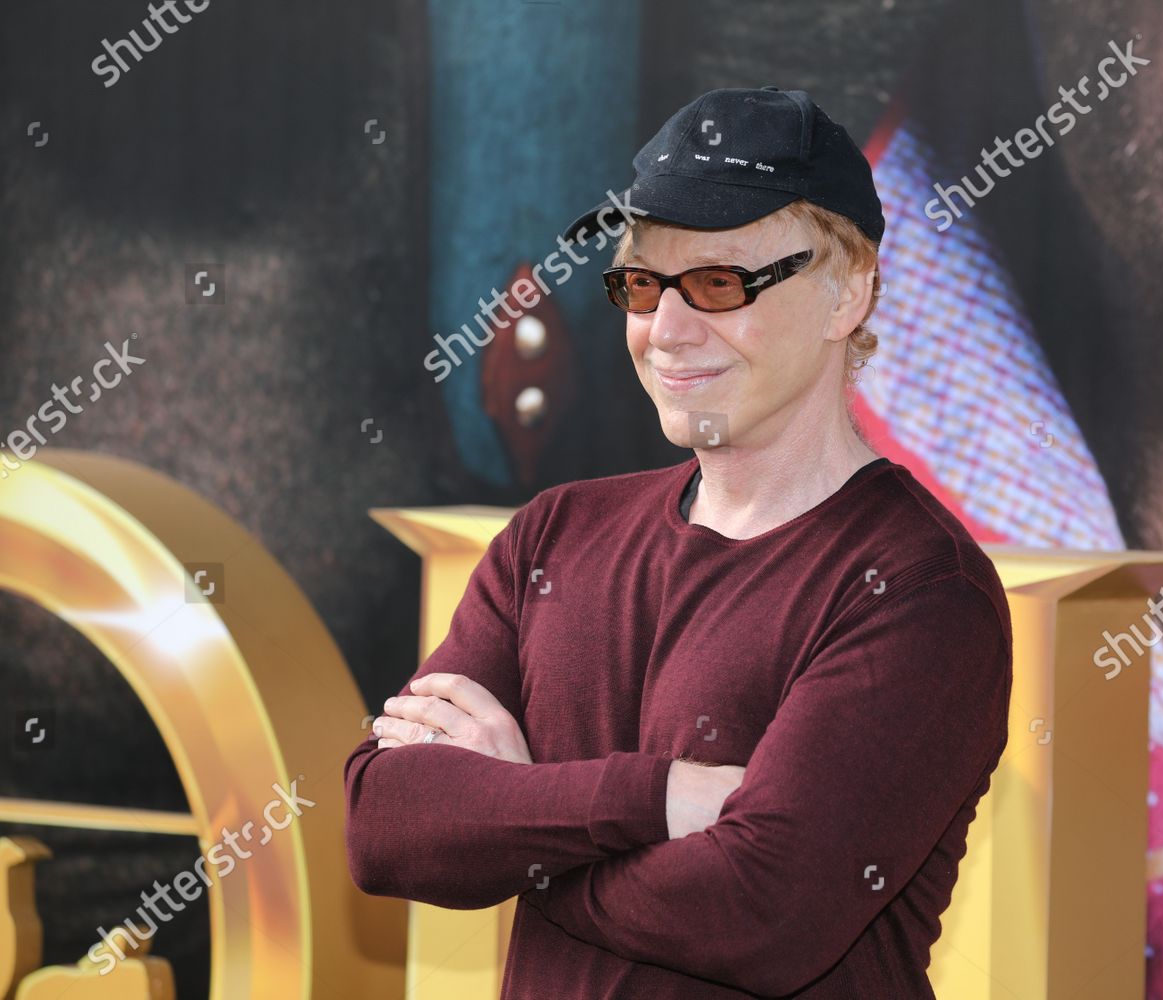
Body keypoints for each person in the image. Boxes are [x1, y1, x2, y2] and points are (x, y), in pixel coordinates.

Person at [343, 86, 1014, 998]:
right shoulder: (553, 534)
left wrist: (521, 818)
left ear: (846, 294)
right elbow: (386, 826)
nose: (667, 330)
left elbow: (760, 913)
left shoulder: (920, 586)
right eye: (643, 285)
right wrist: (658, 797)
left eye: (719, 284)